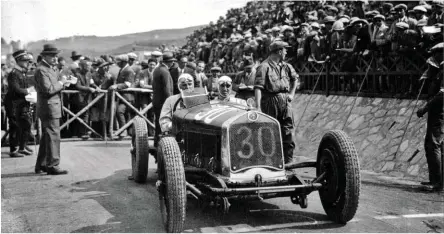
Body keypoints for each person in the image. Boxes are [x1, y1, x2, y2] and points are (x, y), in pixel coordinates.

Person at [254, 41, 299, 164]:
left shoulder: (286, 66)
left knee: (288, 131)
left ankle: (288, 162)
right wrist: (258, 107)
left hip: (285, 101)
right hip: (270, 101)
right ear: (279, 51)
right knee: (270, 132)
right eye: (285, 50)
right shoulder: (264, 67)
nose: (286, 52)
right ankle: (270, 162)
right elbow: (258, 88)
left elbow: (295, 79)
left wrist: (291, 94)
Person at [34, 44, 70, 175]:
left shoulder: (50, 69)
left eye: (56, 56)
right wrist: (61, 83)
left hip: (52, 106)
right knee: (53, 136)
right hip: (49, 107)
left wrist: (63, 83)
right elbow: (48, 90)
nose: (55, 59)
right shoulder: (42, 70)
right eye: (52, 56)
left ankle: (42, 164)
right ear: (44, 56)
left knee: (47, 137)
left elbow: (53, 87)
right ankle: (52, 165)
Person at [416, 42, 444, 192]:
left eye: (437, 53)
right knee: (434, 145)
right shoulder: (438, 71)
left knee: (434, 145)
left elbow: (441, 94)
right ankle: (437, 180)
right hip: (437, 112)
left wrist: (425, 108)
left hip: (439, 113)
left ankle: (437, 182)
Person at [7, 50, 34, 157]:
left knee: (25, 125)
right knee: (15, 126)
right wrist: (29, 90)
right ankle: (14, 150)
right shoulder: (14, 74)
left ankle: (22, 147)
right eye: (25, 61)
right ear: (18, 61)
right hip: (13, 103)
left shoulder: (22, 72)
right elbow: (15, 90)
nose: (28, 63)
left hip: (21, 103)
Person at [104, 54, 135, 139]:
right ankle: (123, 131)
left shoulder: (129, 70)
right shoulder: (122, 70)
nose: (117, 63)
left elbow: (128, 84)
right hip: (122, 97)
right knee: (121, 113)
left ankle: (124, 131)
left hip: (128, 97)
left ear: (124, 62)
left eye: (119, 62)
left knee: (119, 111)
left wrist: (117, 86)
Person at [152, 52, 175, 150]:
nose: (173, 63)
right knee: (163, 123)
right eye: (172, 62)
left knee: (158, 123)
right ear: (169, 62)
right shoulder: (165, 71)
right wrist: (171, 103)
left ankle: (157, 142)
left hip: (157, 101)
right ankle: (161, 144)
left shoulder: (157, 69)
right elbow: (167, 89)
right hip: (163, 102)